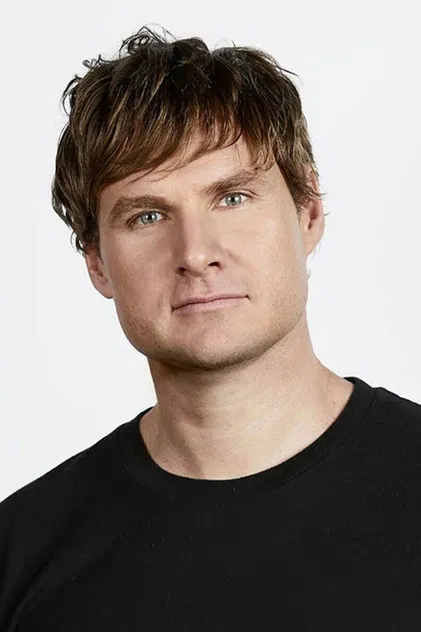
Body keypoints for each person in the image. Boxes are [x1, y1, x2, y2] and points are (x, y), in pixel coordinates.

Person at [1, 24, 421, 631]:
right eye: (148, 216)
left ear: (308, 212)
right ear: (96, 262)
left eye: (232, 198)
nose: (196, 253)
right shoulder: (22, 554)